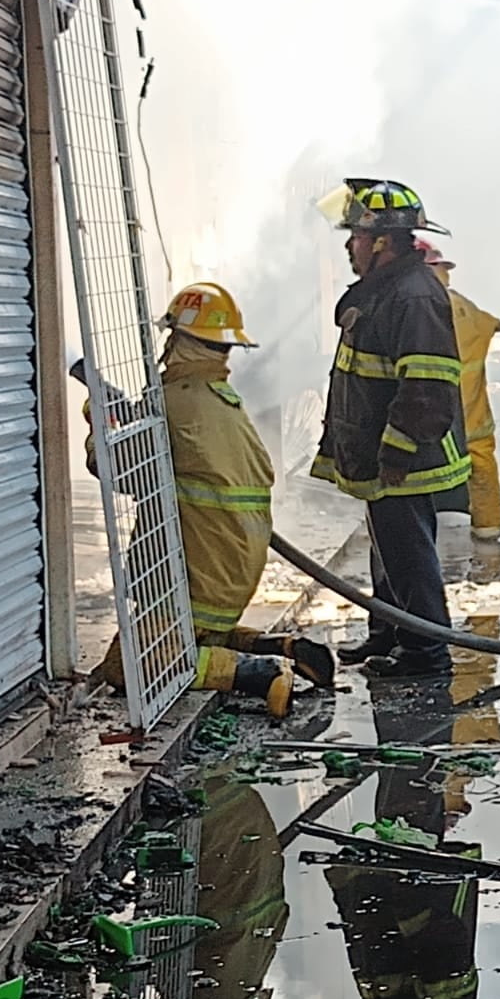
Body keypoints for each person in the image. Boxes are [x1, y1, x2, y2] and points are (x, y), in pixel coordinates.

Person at [84, 283, 333, 717]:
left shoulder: (176, 403)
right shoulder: (221, 400)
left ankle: (260, 674)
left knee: (131, 665)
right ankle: (281, 647)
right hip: (226, 574)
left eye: (171, 336)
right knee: (195, 638)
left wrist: (99, 424)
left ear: (181, 340)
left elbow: (115, 470)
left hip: (198, 579)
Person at [313, 178, 470, 678]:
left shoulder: (412, 296)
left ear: (382, 242)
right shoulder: (386, 290)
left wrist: (398, 450)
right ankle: (389, 633)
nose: (349, 245)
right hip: (381, 452)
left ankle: (425, 651)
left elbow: (427, 384)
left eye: (356, 235)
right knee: (387, 549)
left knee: (408, 555)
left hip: (403, 456)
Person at [414, 240, 500, 541]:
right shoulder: (463, 306)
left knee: (417, 470)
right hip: (473, 411)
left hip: (434, 409)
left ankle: (417, 531)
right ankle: (488, 525)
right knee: (481, 463)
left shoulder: (417, 306)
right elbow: (488, 325)